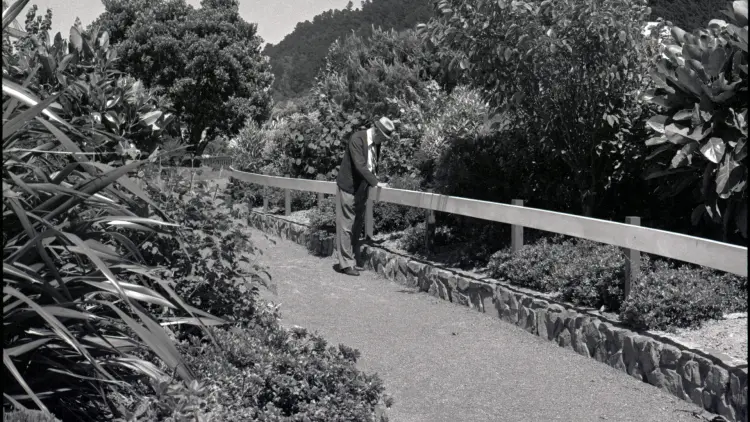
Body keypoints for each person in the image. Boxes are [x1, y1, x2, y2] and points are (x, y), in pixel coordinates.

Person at [334, 116, 395, 276]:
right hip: (349, 187)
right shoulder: (357, 139)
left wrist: (371, 183)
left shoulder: (376, 143)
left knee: (357, 224)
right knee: (347, 225)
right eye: (383, 137)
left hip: (362, 188)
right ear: (376, 131)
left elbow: (372, 165)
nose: (383, 141)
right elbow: (360, 165)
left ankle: (353, 257)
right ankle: (346, 264)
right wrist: (376, 182)